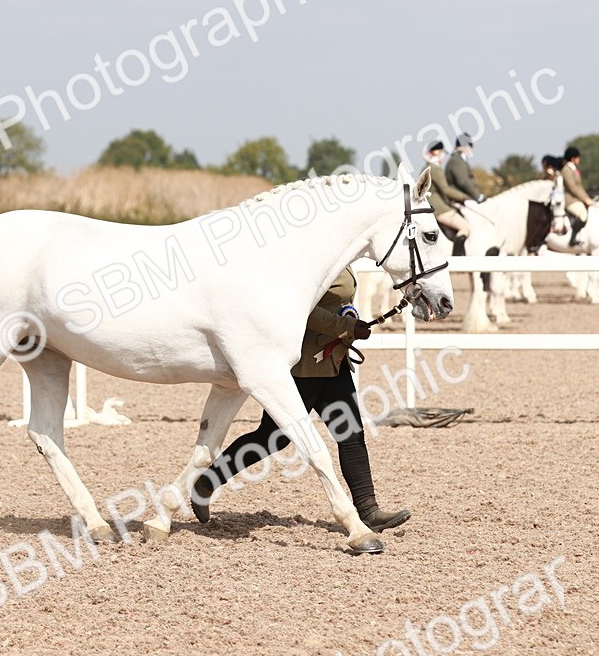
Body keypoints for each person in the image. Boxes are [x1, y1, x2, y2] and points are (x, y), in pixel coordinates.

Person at [189, 267, 411, 533]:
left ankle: (368, 510)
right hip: (302, 366)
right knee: (272, 437)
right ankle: (208, 482)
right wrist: (345, 326)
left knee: (351, 435)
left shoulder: (341, 254)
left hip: (332, 361)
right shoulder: (307, 256)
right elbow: (302, 309)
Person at [423, 141, 471, 239]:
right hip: (439, 208)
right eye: (442, 153)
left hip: (433, 205)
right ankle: (457, 254)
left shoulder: (426, 167)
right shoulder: (434, 169)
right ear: (438, 153)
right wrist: (464, 197)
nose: (443, 157)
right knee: (465, 228)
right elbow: (446, 190)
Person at [561, 146, 594, 240]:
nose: (579, 159)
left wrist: (588, 198)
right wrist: (585, 199)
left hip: (576, 198)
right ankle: (573, 239)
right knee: (583, 214)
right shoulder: (566, 170)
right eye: (578, 157)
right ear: (573, 158)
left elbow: (579, 187)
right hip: (570, 200)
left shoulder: (573, 170)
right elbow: (573, 188)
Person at [445, 132, 485, 202]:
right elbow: (463, 182)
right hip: (462, 199)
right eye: (470, 146)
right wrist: (478, 196)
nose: (471, 149)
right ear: (465, 146)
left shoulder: (460, 159)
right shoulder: (456, 161)